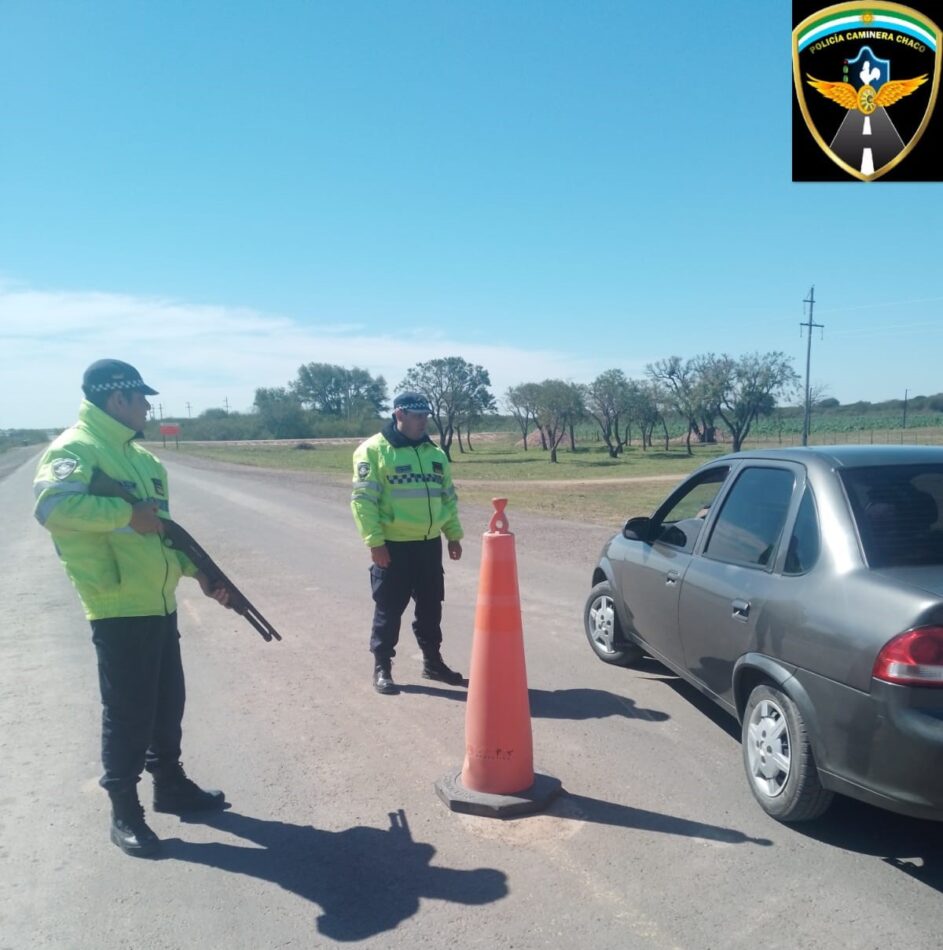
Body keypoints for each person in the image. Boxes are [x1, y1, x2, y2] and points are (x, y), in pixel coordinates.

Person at [33, 359, 230, 858]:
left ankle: (170, 784)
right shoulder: (76, 449)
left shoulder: (144, 461)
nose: (147, 407)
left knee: (167, 702)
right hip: (116, 602)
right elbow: (52, 507)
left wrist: (198, 573)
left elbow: (161, 532)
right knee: (128, 713)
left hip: (157, 600)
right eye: (141, 399)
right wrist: (125, 513)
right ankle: (124, 809)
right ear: (116, 398)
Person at [351, 392, 465, 694]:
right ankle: (382, 667)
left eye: (426, 416)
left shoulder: (435, 454)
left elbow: (447, 498)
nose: (423, 421)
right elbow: (363, 501)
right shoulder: (373, 451)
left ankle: (433, 663)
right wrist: (375, 542)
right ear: (399, 415)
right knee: (389, 610)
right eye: (417, 416)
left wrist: (453, 534)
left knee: (431, 609)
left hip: (428, 545)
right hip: (393, 546)